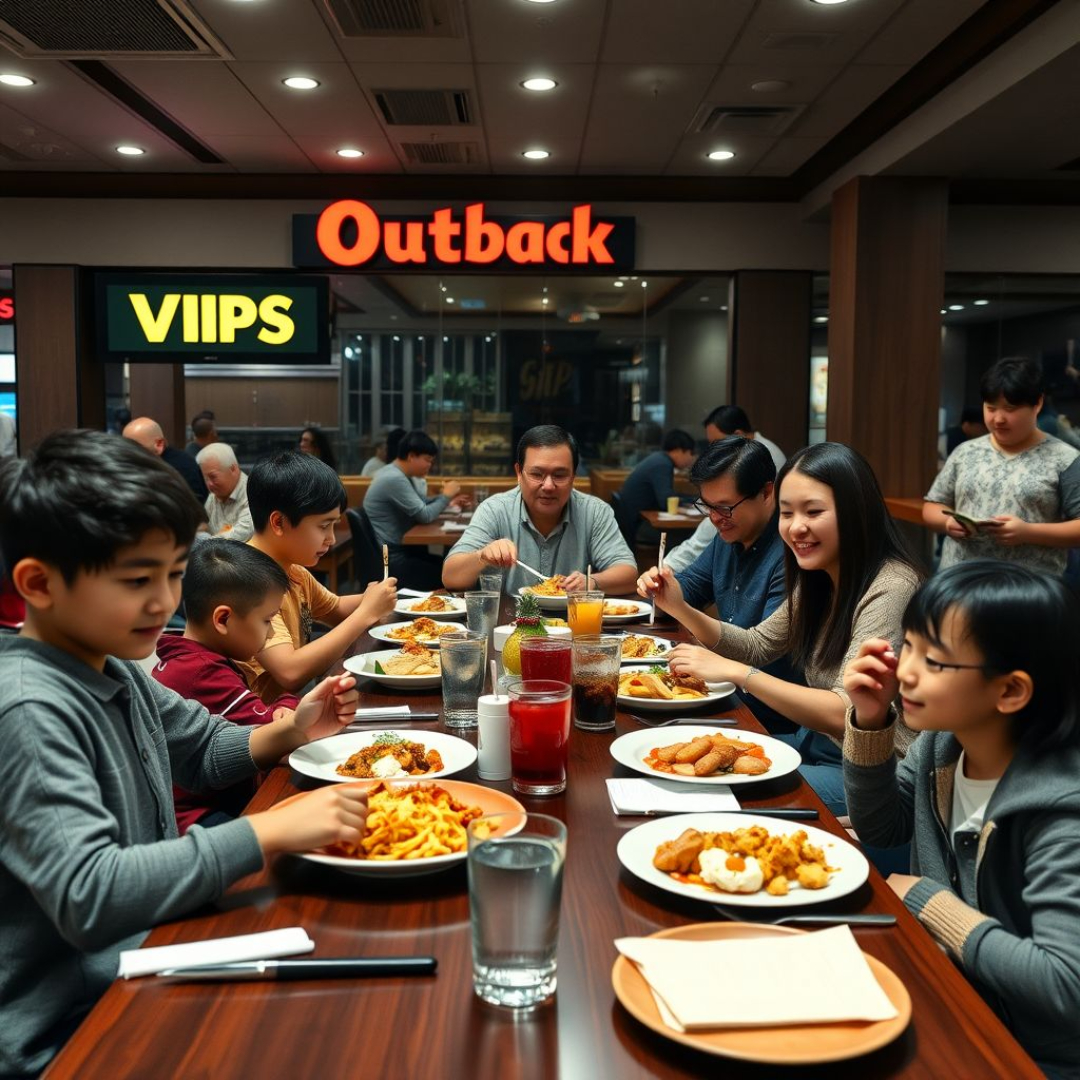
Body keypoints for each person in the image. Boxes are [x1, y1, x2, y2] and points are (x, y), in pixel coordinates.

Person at [0, 430, 370, 1079]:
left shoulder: (114, 663)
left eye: (173, 575)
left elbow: (203, 746)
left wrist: (293, 729)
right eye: (137, 580)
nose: (165, 602)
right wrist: (267, 830)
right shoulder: (31, 707)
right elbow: (90, 892)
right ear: (39, 583)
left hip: (140, 954)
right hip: (67, 1028)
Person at [842, 561, 1080, 1079]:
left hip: (1031, 1055)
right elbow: (883, 827)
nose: (905, 671)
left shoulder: (1063, 810)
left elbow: (1066, 985)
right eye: (908, 646)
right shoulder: (943, 744)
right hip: (951, 990)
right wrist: (870, 720)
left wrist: (930, 902)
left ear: (1010, 691)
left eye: (934, 660)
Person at [652, 442, 922, 814]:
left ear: (855, 510)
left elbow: (847, 711)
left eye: (813, 511)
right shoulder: (819, 575)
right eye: (787, 512)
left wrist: (738, 673)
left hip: (873, 769)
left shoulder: (891, 586)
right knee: (678, 762)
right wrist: (678, 606)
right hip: (813, 743)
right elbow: (758, 644)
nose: (796, 527)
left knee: (714, 794)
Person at [636, 437, 800, 734]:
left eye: (725, 507)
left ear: (767, 492)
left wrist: (678, 606)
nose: (714, 518)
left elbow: (760, 651)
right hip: (723, 696)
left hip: (768, 718)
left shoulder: (793, 551)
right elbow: (691, 587)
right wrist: (660, 588)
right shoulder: (728, 536)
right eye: (707, 506)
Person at [153, 540, 302, 833]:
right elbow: (272, 729)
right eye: (267, 621)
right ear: (223, 619)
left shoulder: (189, 658)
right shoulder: (203, 673)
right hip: (201, 818)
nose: (271, 632)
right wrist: (288, 703)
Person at [241, 451, 398, 702]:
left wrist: (372, 597)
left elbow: (335, 609)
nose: (331, 539)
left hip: (292, 704)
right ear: (279, 522)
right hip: (258, 716)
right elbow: (289, 672)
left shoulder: (294, 572)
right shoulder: (248, 581)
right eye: (324, 526)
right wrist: (366, 612)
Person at [924, 357, 1080, 574]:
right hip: (960, 578)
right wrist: (948, 523)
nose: (998, 419)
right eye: (991, 408)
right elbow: (932, 505)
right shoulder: (965, 452)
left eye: (1010, 408)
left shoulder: (1066, 459)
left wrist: (1028, 532)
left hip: (1026, 584)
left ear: (1037, 404)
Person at [442, 425, 637, 595]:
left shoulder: (594, 512)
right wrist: (482, 556)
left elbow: (628, 573)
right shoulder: (495, 510)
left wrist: (592, 582)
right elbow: (450, 577)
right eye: (537, 474)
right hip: (509, 622)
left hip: (574, 621)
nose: (549, 486)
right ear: (519, 473)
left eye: (559, 475)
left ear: (573, 476)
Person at [363, 430, 470, 591]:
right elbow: (425, 515)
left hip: (400, 552)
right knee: (455, 573)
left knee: (451, 566)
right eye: (427, 460)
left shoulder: (397, 474)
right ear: (411, 456)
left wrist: (446, 500)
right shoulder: (394, 478)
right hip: (393, 560)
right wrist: (446, 496)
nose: (430, 465)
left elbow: (422, 502)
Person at [615, 429, 696, 544]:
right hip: (638, 526)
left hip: (633, 521)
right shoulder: (663, 464)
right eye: (690, 453)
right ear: (678, 450)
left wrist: (691, 499)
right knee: (685, 538)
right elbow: (666, 501)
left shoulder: (659, 459)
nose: (691, 459)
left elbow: (667, 496)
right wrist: (694, 501)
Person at [122, 415, 209, 502]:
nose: (129, 456)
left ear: (159, 444)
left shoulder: (180, 469)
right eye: (126, 450)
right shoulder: (140, 465)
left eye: (135, 449)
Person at [196, 442, 253, 543]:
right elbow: (203, 526)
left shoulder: (252, 494)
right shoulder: (213, 495)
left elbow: (239, 536)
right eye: (205, 478)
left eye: (213, 477)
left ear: (233, 469)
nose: (209, 484)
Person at [703, 405, 786, 473]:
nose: (713, 449)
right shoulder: (746, 450)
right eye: (711, 443)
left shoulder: (762, 454)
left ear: (738, 435)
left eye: (717, 442)